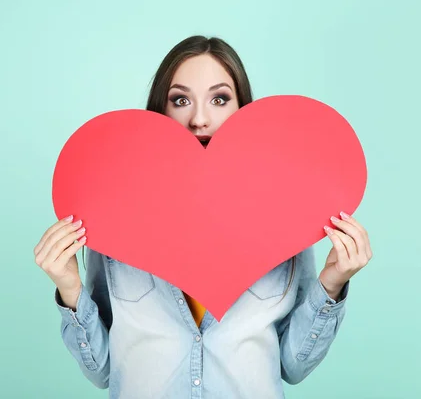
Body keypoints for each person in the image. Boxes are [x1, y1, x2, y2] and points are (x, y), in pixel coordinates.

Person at [33, 35, 373, 398]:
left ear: (243, 110)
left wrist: (332, 284)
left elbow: (291, 367)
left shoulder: (285, 214)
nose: (199, 118)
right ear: (160, 113)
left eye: (219, 99)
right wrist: (70, 289)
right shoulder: (114, 217)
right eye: (180, 100)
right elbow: (103, 372)